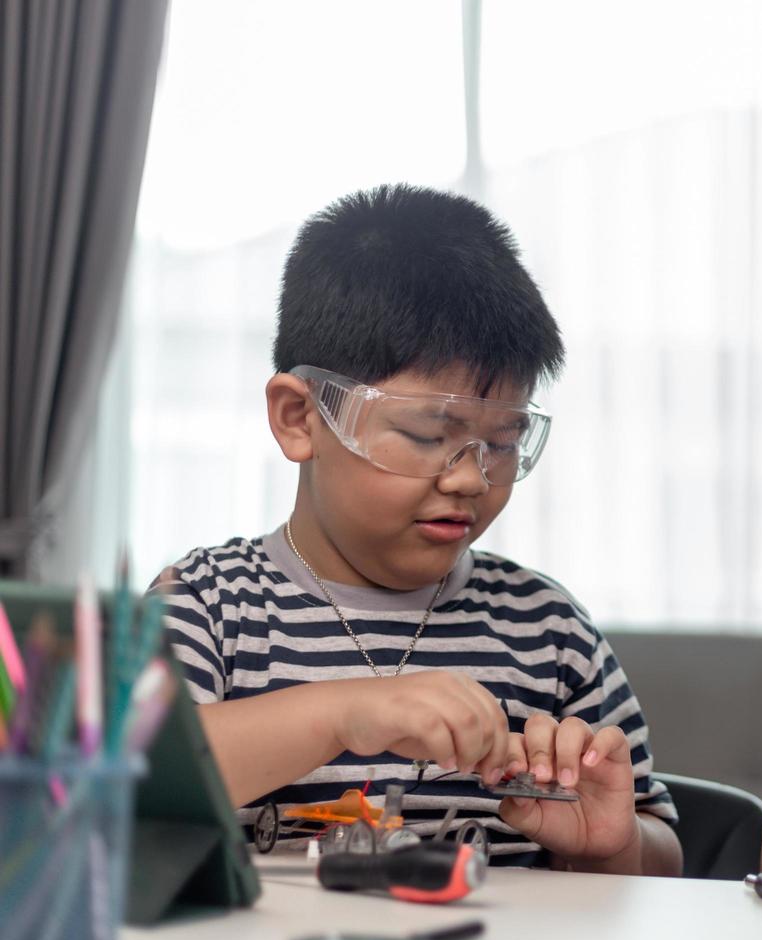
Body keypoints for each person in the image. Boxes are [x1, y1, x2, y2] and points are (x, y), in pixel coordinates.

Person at [158, 184, 680, 874]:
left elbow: (661, 855)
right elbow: (115, 792)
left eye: (502, 442)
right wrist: (343, 714)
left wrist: (612, 842)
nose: (470, 477)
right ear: (298, 417)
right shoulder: (209, 607)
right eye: (428, 432)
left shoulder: (545, 631)